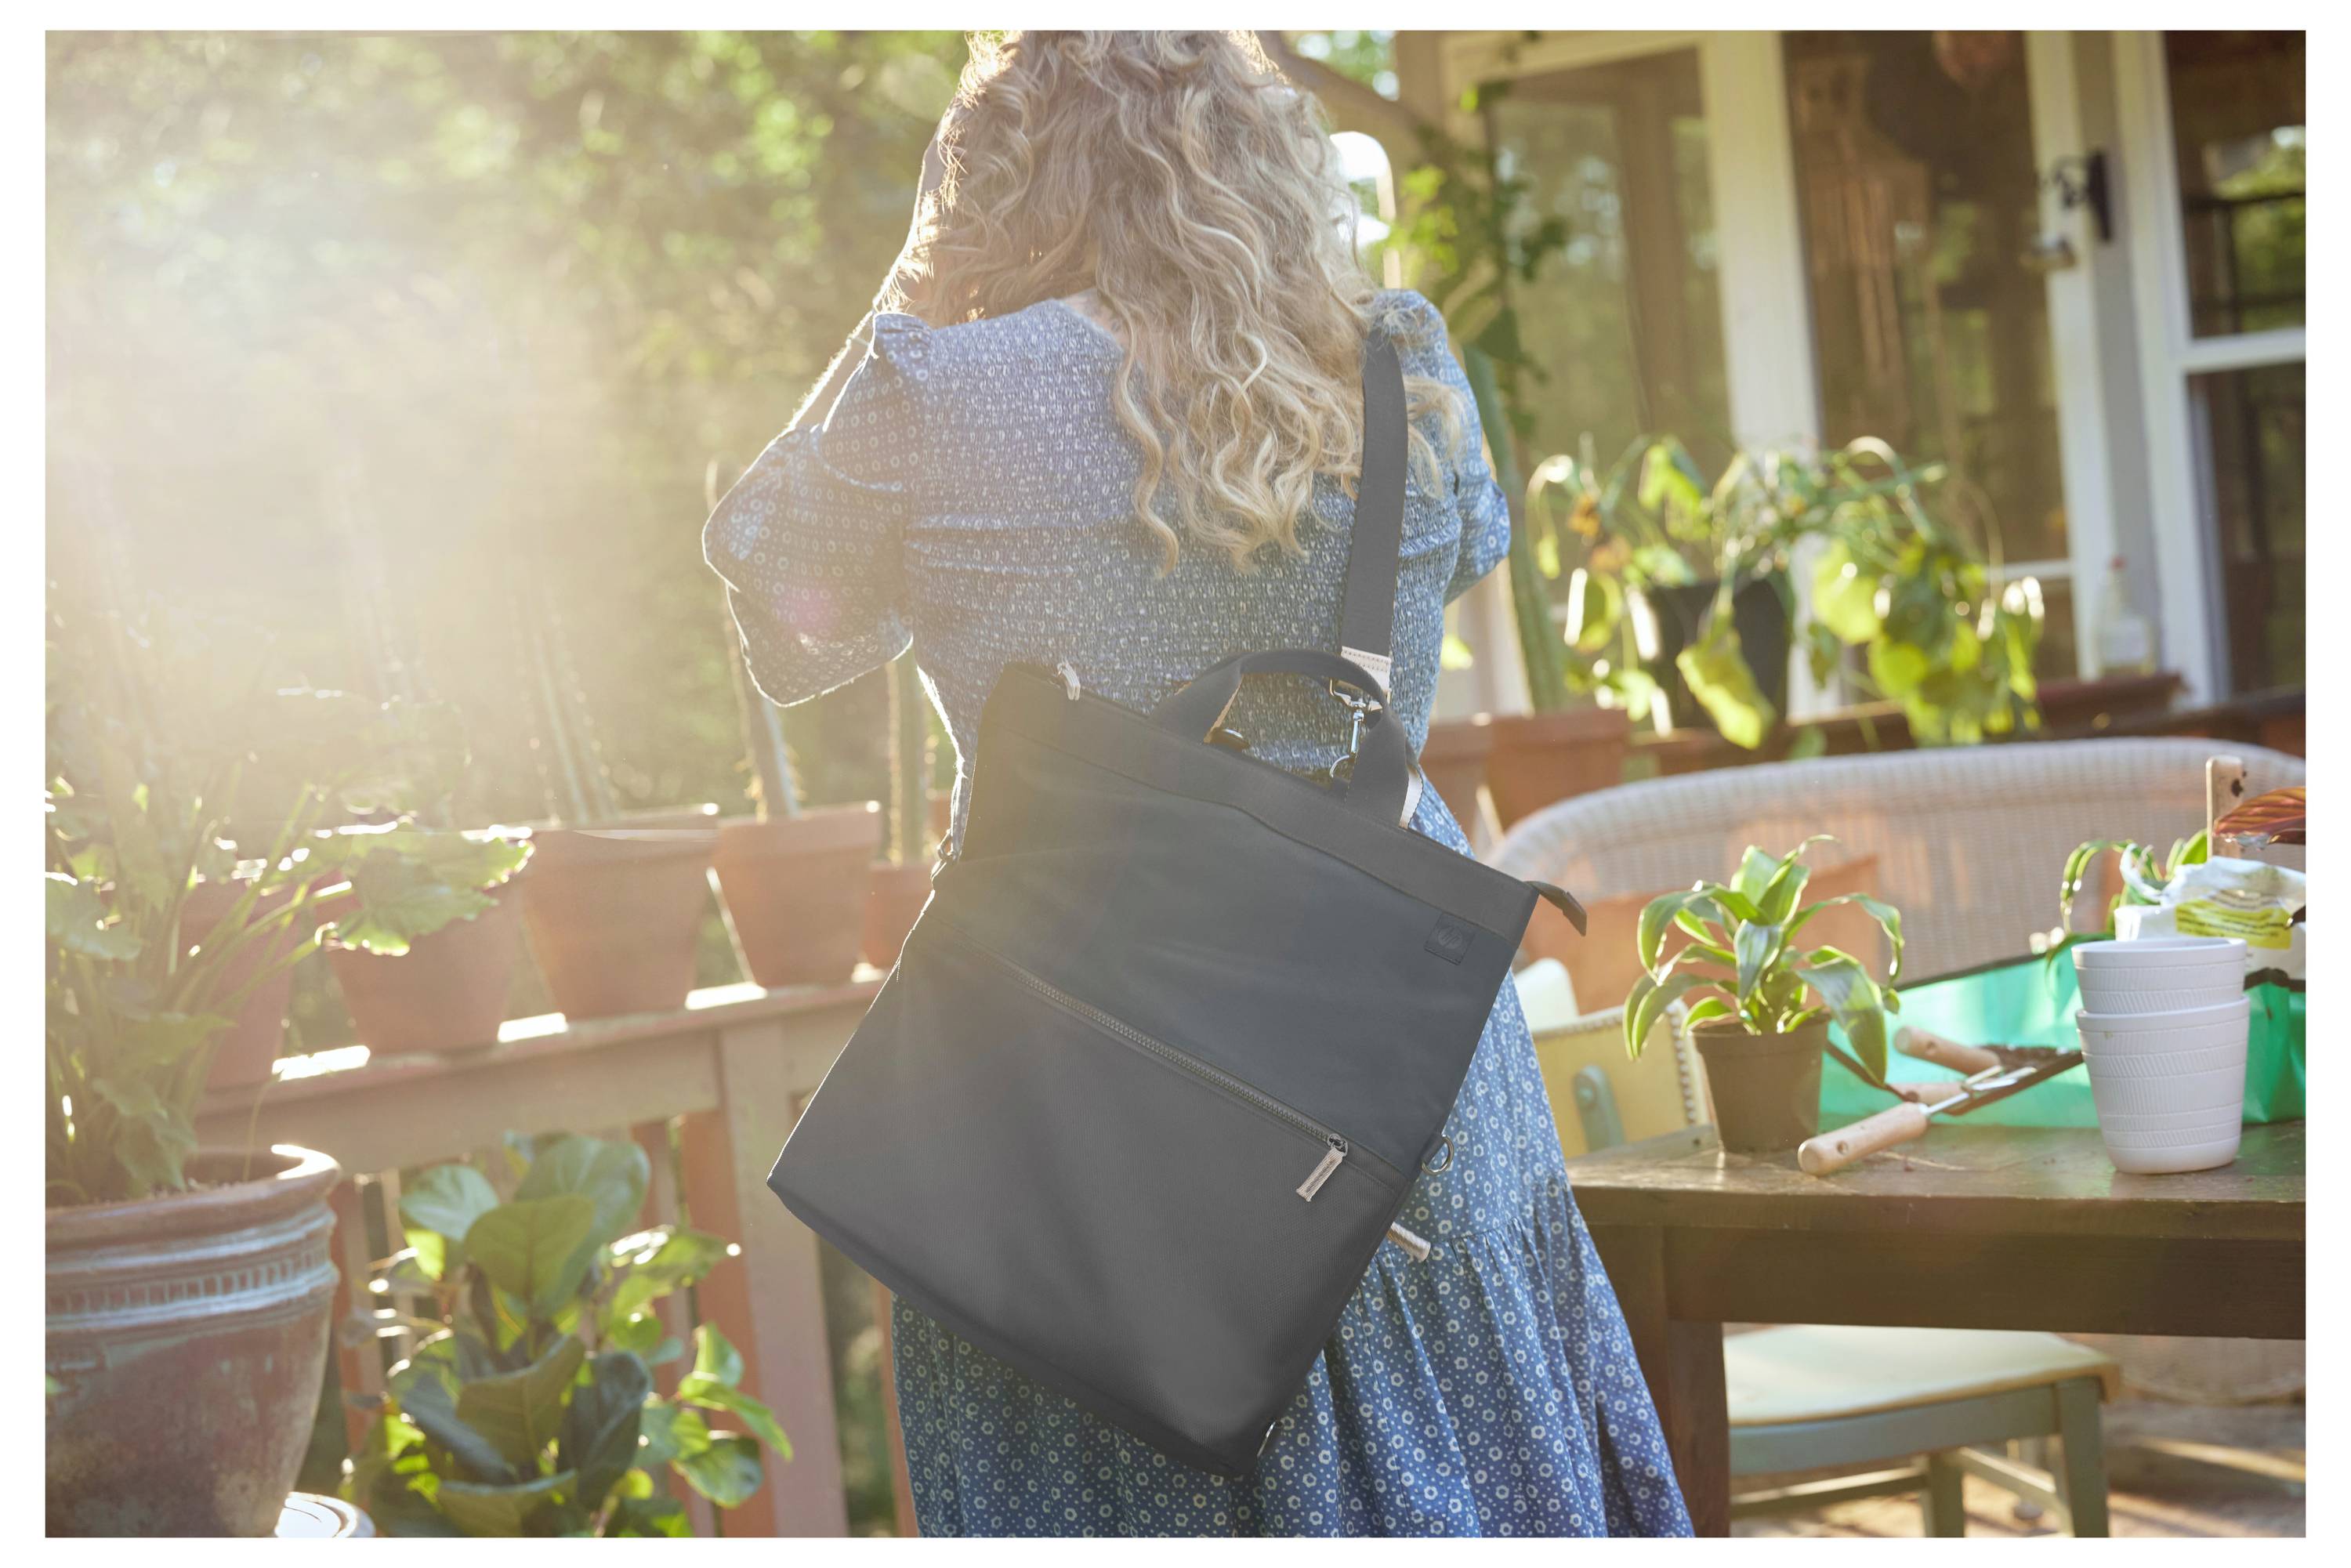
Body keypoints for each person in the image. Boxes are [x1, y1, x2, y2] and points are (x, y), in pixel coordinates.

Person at [703, 30, 1691, 1538]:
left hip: (1070, 1082)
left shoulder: (937, 398)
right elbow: (1472, 555)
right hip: (1400, 1074)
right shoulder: (1400, 368)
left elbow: (777, 606)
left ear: (996, 177)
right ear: (1266, 159)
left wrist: (917, 287)